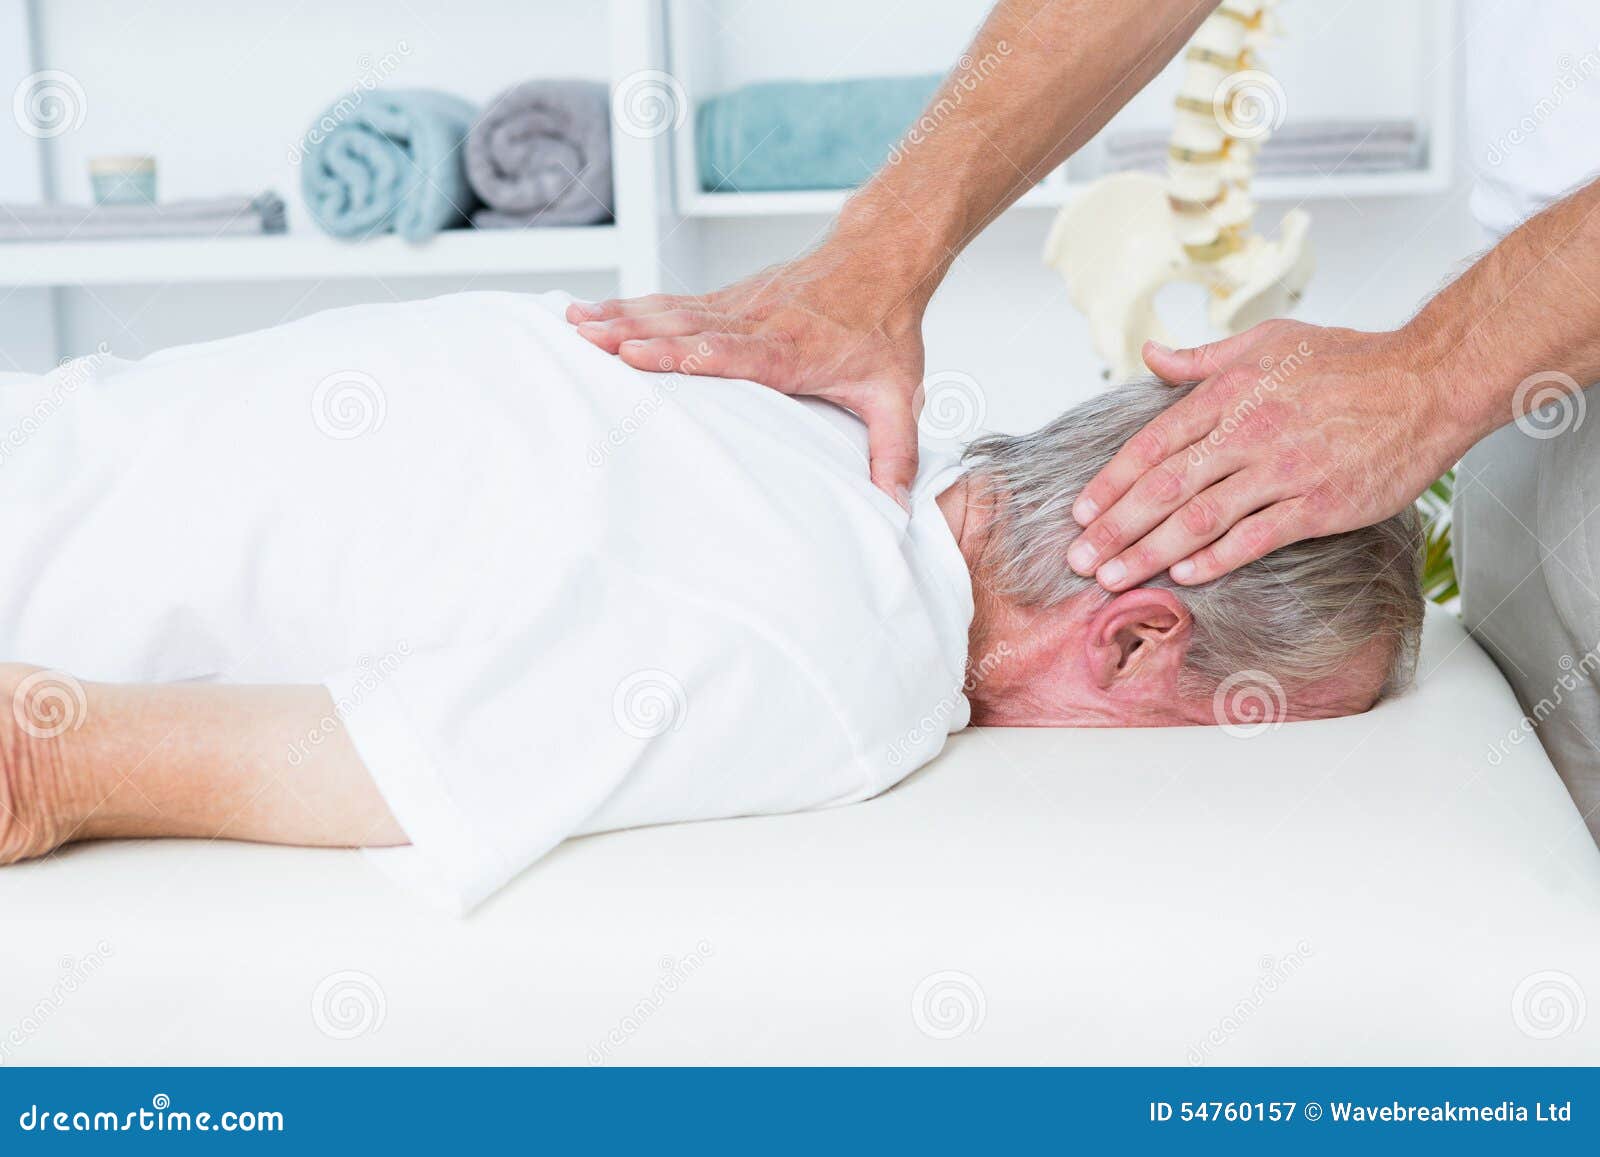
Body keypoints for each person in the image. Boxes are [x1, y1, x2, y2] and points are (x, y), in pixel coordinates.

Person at [0, 292, 1418, 909]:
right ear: (1134, 633)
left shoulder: (783, 397)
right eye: (1246, 719)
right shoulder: (848, 670)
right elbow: (41, 761)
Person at [570, 0, 1600, 840]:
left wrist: (1433, 374)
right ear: (1134, 642)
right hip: (1530, 366)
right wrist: (873, 257)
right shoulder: (781, 644)